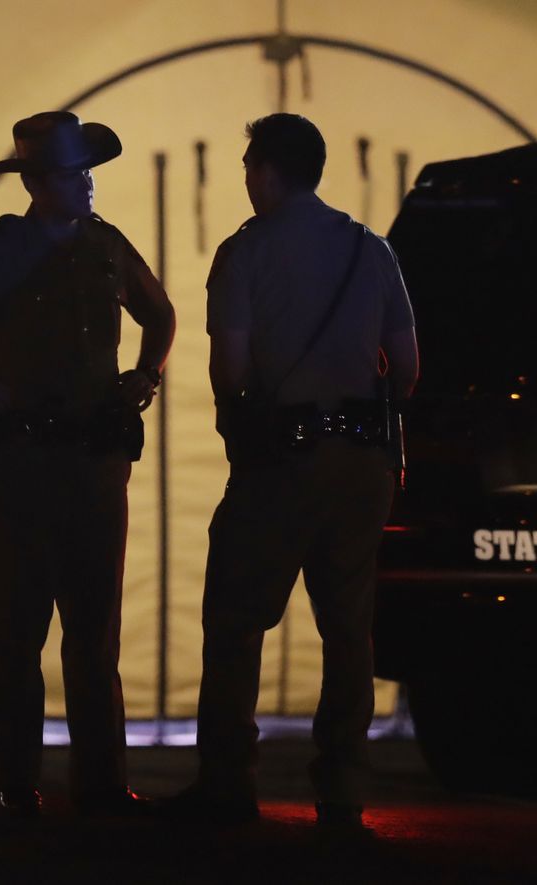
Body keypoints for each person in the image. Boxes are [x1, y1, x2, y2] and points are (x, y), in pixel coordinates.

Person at [0, 111, 176, 817]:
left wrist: (145, 374)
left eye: (87, 171)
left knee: (94, 632)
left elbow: (161, 315)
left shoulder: (105, 245)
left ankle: (101, 785)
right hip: (21, 465)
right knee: (19, 633)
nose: (87, 184)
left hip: (95, 464)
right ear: (40, 182)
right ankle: (19, 787)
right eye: (75, 173)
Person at [175, 113, 419, 833]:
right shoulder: (370, 251)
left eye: (250, 166)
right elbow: (406, 371)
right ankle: (342, 791)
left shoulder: (243, 255)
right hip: (362, 467)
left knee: (235, 619)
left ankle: (227, 782)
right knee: (348, 629)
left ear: (270, 173)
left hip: (280, 462)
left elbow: (230, 368)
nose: (246, 179)